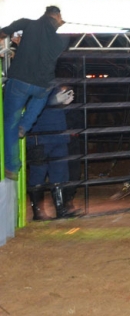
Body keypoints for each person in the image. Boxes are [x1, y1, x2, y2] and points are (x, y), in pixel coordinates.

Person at [1, 6, 70, 180]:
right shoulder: (61, 41)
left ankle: (12, 167)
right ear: (57, 17)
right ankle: (25, 126)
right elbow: (42, 51)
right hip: (43, 86)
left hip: (21, 81)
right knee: (37, 103)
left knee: (10, 123)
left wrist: (11, 42)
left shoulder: (27, 24)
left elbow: (4, 32)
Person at [25, 86, 79, 220]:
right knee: (38, 173)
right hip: (40, 139)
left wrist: (64, 104)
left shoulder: (51, 86)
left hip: (57, 138)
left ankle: (60, 210)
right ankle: (38, 212)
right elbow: (32, 107)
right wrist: (53, 101)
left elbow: (58, 113)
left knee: (59, 174)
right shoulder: (32, 87)